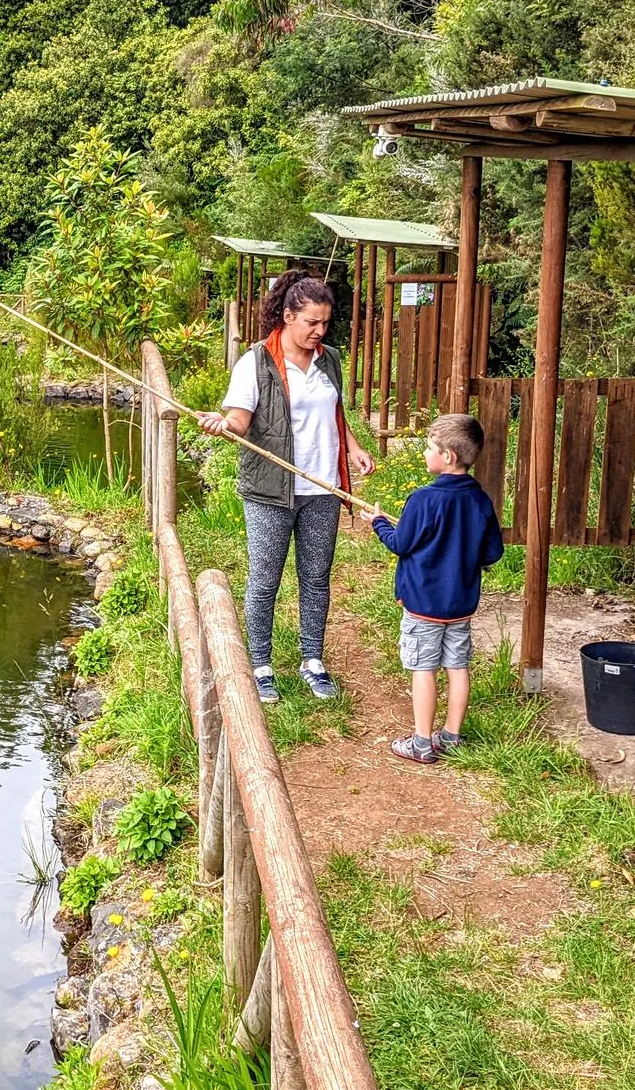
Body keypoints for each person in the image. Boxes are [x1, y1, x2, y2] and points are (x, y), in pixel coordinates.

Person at [198, 272, 375, 703]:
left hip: (322, 487)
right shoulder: (254, 362)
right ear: (288, 315)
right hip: (270, 490)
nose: (319, 331)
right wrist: (223, 426)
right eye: (312, 322)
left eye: (325, 323)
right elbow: (239, 420)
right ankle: (260, 666)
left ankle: (313, 661)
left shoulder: (328, 359)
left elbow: (333, 413)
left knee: (316, 578)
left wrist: (351, 448)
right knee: (265, 581)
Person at [369, 413, 504, 763]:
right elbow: (493, 552)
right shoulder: (480, 500)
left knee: (424, 669)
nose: (425, 453)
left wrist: (379, 523)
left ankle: (421, 742)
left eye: (429, 447)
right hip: (460, 605)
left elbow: (400, 543)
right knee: (457, 667)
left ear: (448, 456)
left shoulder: (422, 500)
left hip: (422, 605)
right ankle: (452, 736)